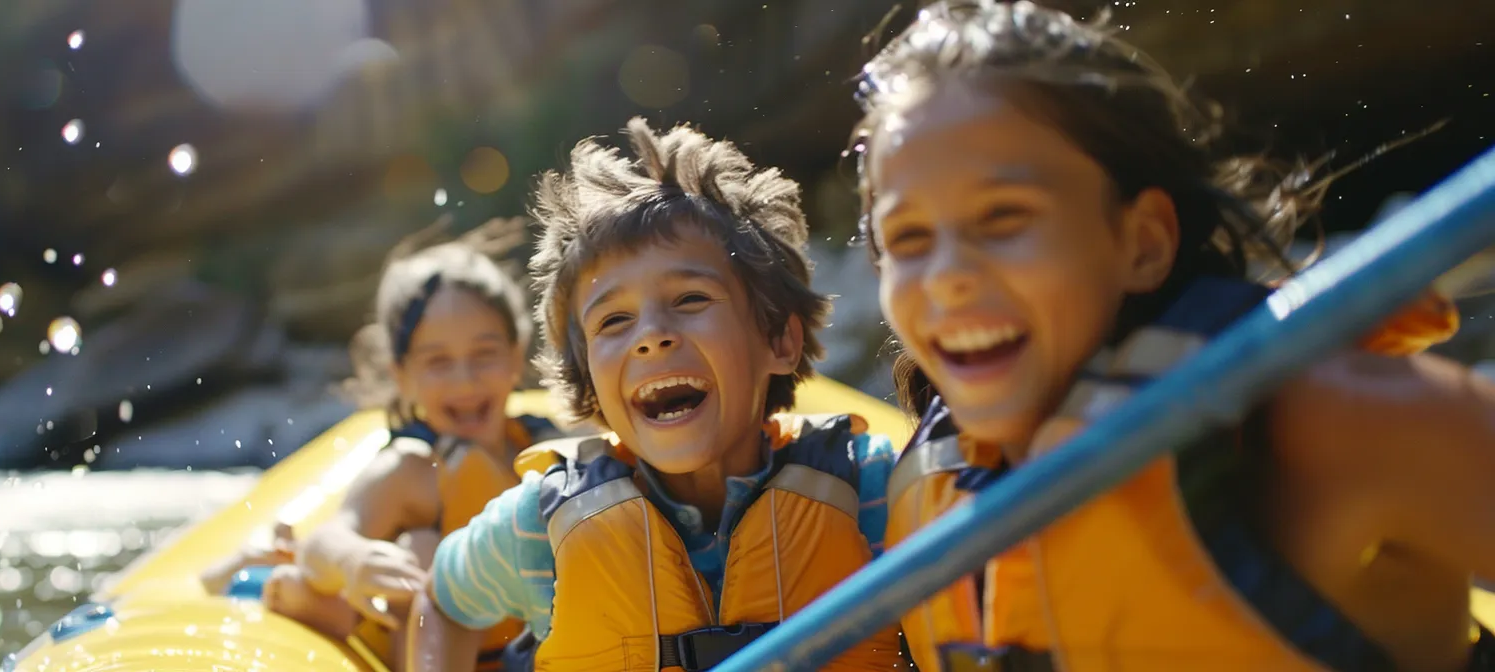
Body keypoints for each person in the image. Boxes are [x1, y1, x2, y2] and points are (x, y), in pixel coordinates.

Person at [852, 2, 1494, 670]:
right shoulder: (924, 498)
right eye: (909, 239)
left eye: (1004, 217)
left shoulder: (1323, 425)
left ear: (1143, 243)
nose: (947, 276)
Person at [407, 118, 908, 672]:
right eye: (614, 320)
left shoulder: (873, 492)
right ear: (588, 380)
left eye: (691, 299)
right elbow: (441, 601)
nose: (651, 336)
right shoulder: (536, 528)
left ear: (778, 340)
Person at [200, 217, 562, 670]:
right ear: (402, 375)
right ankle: (248, 576)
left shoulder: (544, 447)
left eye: (483, 355)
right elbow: (330, 535)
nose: (465, 380)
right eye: (439, 362)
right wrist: (351, 560)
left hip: (512, 646)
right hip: (403, 633)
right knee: (423, 550)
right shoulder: (411, 468)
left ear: (515, 355)